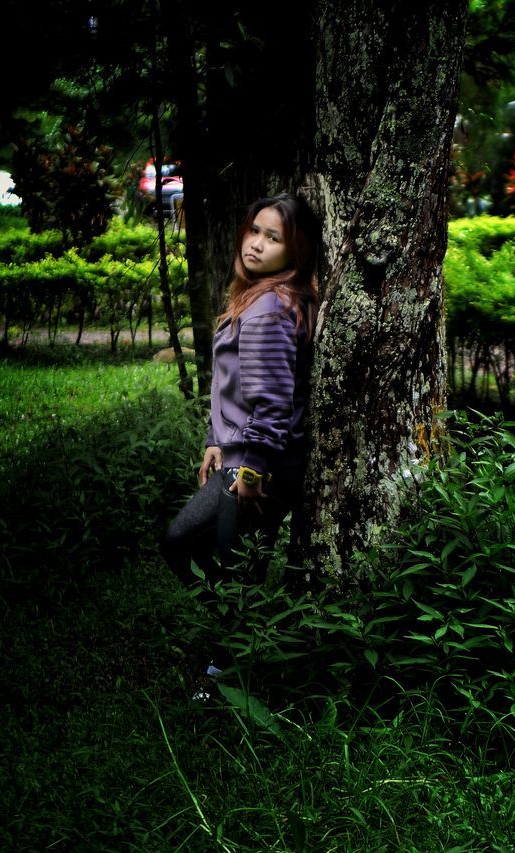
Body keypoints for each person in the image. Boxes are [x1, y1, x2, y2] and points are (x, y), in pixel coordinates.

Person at [161, 193, 320, 685]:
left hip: (259, 464)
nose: (256, 244)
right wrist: (215, 437)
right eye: (255, 230)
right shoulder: (255, 296)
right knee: (187, 545)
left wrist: (250, 470)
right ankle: (236, 634)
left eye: (274, 238)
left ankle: (225, 667)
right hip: (241, 455)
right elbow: (233, 385)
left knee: (227, 567)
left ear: (295, 252)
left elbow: (270, 403)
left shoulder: (270, 308)